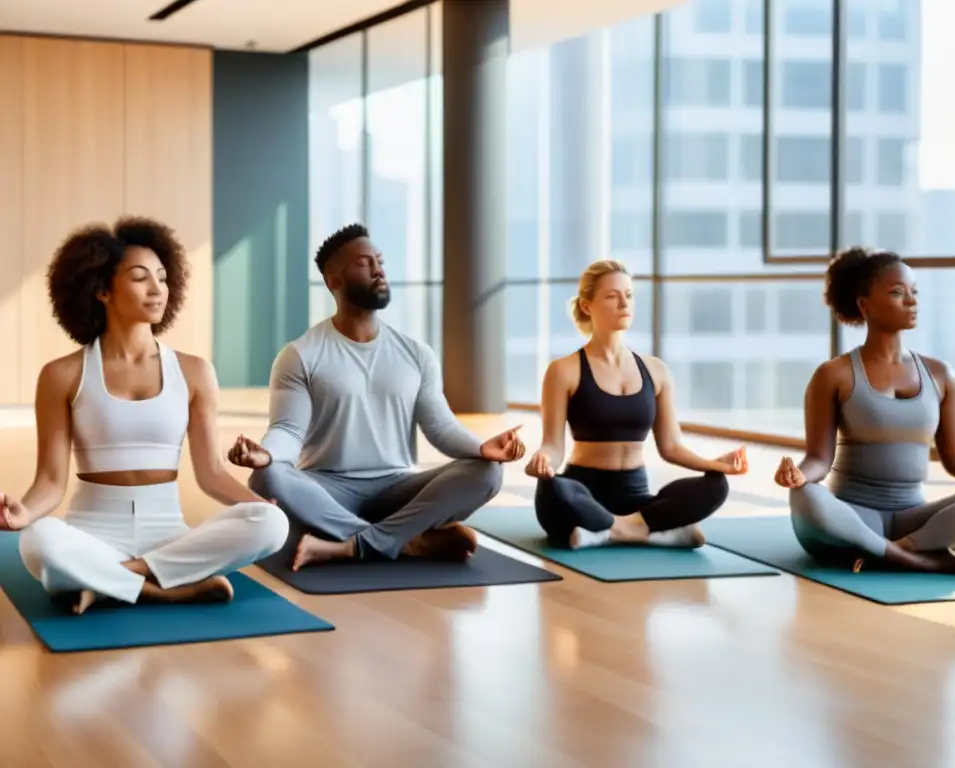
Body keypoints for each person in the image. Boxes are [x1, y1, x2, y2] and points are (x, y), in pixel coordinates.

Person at [0, 217, 290, 615]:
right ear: (101, 289)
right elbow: (51, 480)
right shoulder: (61, 374)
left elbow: (211, 474)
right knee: (38, 541)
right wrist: (24, 513)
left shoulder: (194, 371)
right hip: (93, 530)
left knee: (274, 525)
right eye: (141, 278)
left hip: (169, 534)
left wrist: (260, 507)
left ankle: (112, 579)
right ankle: (162, 589)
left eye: (163, 277)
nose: (158, 289)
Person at [227, 224, 524, 571]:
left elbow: (440, 427)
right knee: (267, 477)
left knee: (488, 473)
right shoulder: (301, 355)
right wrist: (268, 454)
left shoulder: (416, 353)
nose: (378, 270)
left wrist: (481, 449)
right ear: (334, 281)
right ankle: (407, 541)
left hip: (397, 488)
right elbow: (289, 432)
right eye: (364, 263)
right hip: (326, 489)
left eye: (379, 261)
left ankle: (352, 544)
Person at [775, 246, 955, 576]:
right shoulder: (835, 374)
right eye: (897, 292)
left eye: (914, 292)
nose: (912, 301)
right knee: (805, 496)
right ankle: (917, 559)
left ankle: (897, 551)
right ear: (865, 306)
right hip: (852, 517)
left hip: (913, 520)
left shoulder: (940, 375)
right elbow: (820, 458)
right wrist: (800, 476)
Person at [523, 259, 747, 550]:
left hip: (636, 497)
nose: (623, 303)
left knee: (716, 485)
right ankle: (651, 531)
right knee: (554, 488)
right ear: (587, 305)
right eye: (611, 296)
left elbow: (671, 447)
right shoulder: (564, 370)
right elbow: (553, 446)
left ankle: (610, 531)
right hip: (583, 494)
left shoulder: (657, 371)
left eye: (628, 295)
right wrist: (542, 462)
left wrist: (715, 464)